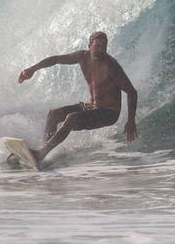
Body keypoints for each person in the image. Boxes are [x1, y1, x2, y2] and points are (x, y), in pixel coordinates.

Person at [16, 31, 137, 165]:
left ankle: (41, 153)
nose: (101, 49)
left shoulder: (111, 66)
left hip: (109, 113)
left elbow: (132, 92)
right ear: (89, 46)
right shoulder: (82, 57)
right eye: (98, 46)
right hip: (94, 107)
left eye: (104, 46)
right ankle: (42, 154)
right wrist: (33, 69)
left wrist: (131, 120)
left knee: (72, 118)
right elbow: (55, 59)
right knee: (53, 114)